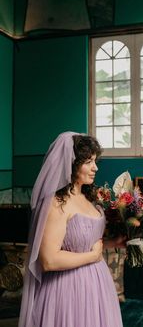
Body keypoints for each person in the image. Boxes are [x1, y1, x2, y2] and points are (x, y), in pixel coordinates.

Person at [18, 131, 124, 327]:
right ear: (72, 164)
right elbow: (49, 260)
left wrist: (113, 243)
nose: (96, 168)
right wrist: (92, 257)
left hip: (98, 285)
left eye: (95, 161)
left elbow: (86, 243)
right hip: (67, 289)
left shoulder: (89, 199)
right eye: (89, 162)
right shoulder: (55, 204)